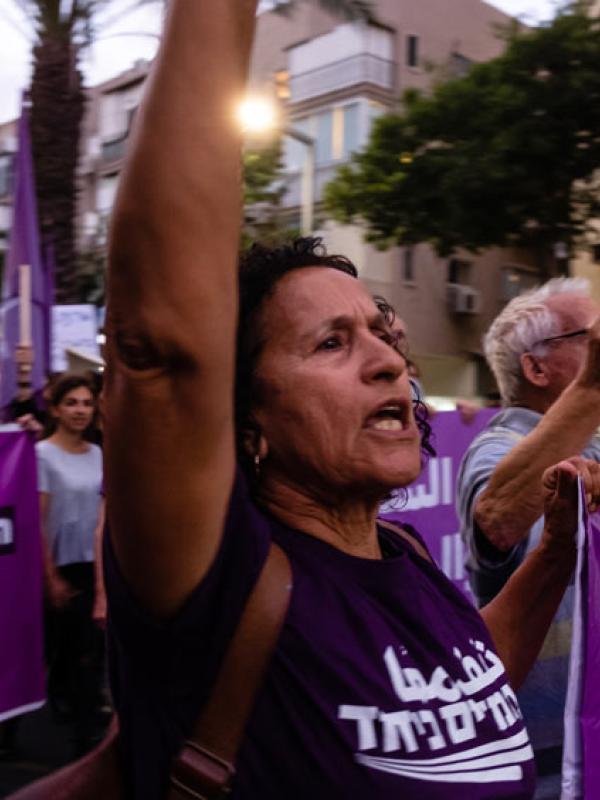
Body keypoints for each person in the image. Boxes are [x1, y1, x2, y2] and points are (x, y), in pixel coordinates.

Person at [102, 3, 600, 798]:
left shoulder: (400, 556)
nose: (386, 361)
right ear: (247, 417)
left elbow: (465, 695)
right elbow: (161, 349)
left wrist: (554, 561)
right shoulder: (217, 578)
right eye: (331, 343)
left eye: (381, 331)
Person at [456, 278, 600, 798]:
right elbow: (498, 520)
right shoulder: (496, 450)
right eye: (591, 336)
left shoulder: (595, 440)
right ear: (537, 368)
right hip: (551, 770)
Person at [36, 373, 106, 756]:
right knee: (56, 649)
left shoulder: (98, 453)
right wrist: (50, 577)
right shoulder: (42, 454)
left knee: (87, 651)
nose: (80, 410)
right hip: (58, 567)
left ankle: (85, 733)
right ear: (56, 409)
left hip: (92, 564)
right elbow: (38, 522)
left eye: (86, 403)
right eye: (72, 403)